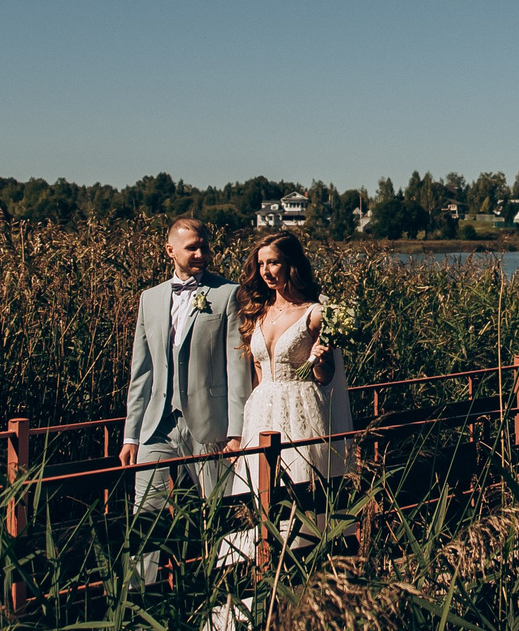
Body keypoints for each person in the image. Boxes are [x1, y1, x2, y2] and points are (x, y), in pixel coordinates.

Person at [120, 217, 251, 508]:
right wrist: (132, 436)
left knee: (218, 511)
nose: (201, 255)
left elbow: (237, 366)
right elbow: (141, 373)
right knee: (146, 514)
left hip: (209, 425)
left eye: (205, 247)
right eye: (193, 248)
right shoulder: (149, 299)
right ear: (170, 250)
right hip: (157, 427)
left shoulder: (228, 293)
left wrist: (236, 432)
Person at [234, 231, 356, 523]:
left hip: (300, 407)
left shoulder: (314, 313)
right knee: (260, 488)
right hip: (261, 410)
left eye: (273, 263)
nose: (265, 271)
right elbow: (259, 374)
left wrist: (320, 360)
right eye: (261, 264)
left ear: (291, 265)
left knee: (301, 483)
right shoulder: (258, 312)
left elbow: (326, 378)